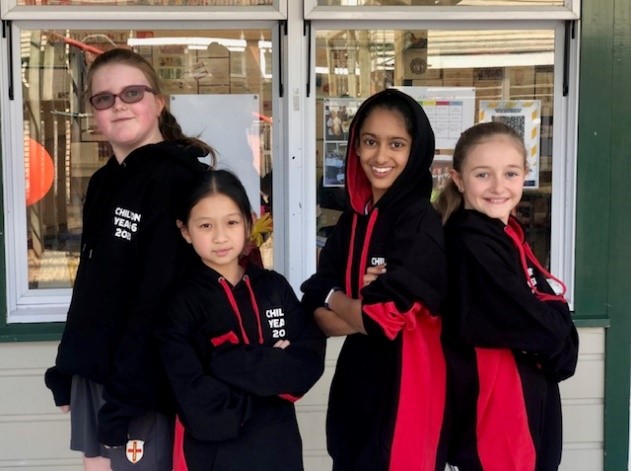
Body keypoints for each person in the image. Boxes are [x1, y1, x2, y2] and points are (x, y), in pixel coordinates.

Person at [44, 47, 215, 471]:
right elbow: (93, 282)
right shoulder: (104, 181)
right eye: (105, 98)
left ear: (158, 102)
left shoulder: (179, 181)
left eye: (132, 93)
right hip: (97, 372)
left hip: (142, 386)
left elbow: (161, 298)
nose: (119, 105)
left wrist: (127, 396)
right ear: (94, 113)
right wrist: (68, 364)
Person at [301, 88, 449, 471]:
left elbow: (382, 321)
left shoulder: (420, 223)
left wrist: (336, 298)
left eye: (396, 144)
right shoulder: (353, 220)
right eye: (370, 142)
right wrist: (357, 303)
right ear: (355, 147)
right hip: (357, 390)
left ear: (416, 150)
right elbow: (314, 312)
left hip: (407, 395)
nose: (380, 157)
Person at [157, 169, 326, 471]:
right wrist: (271, 367)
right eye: (205, 225)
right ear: (185, 231)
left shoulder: (274, 287)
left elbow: (307, 364)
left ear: (249, 222)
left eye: (231, 223)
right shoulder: (179, 302)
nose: (220, 237)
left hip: (280, 447)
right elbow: (192, 395)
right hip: (212, 454)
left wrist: (223, 361)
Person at [435, 121, 579, 471]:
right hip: (499, 416)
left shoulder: (505, 233)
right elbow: (537, 327)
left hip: (523, 406)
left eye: (510, 173)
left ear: (525, 175)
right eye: (483, 175)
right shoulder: (470, 243)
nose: (499, 187)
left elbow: (542, 316)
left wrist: (557, 335)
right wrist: (560, 339)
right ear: (458, 179)